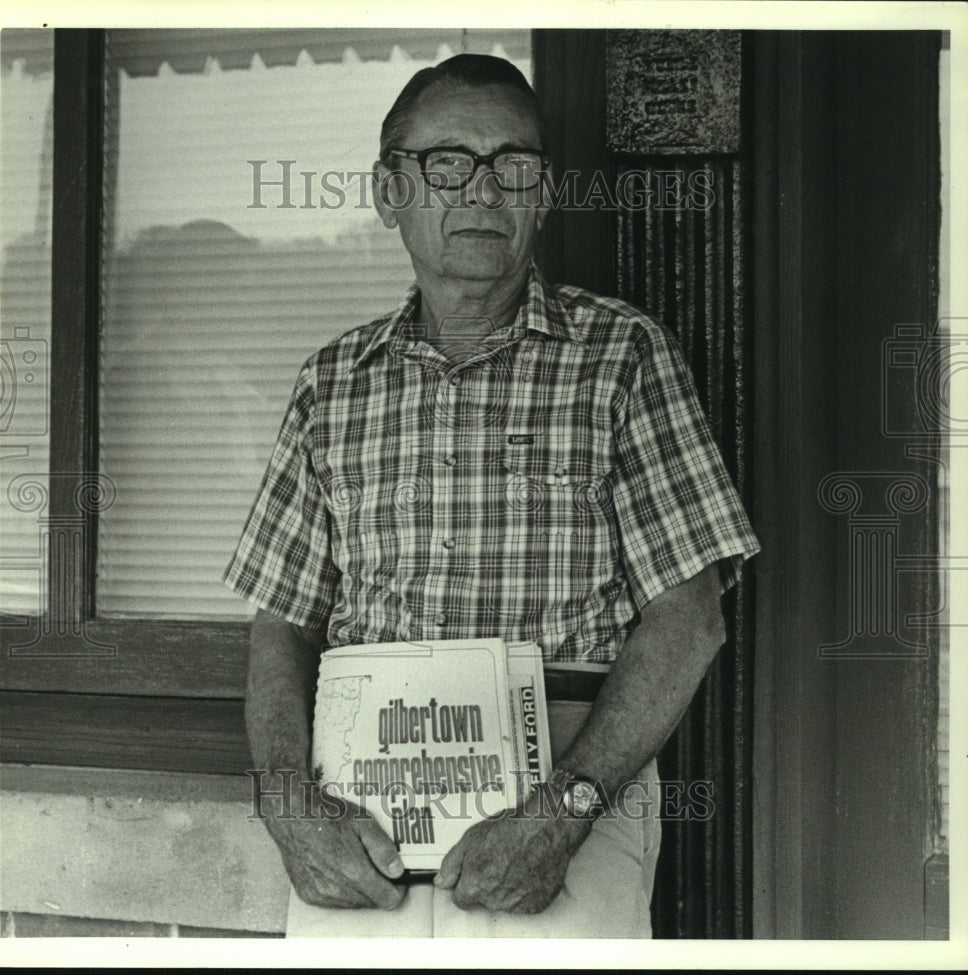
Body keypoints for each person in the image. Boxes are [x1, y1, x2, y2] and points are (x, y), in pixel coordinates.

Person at [223, 53, 760, 938]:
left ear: (543, 194)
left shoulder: (622, 356)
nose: (482, 189)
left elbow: (689, 617)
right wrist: (288, 808)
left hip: (564, 798)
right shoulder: (333, 382)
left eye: (514, 164)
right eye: (447, 164)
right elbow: (282, 622)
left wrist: (566, 810)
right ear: (391, 191)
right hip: (360, 816)